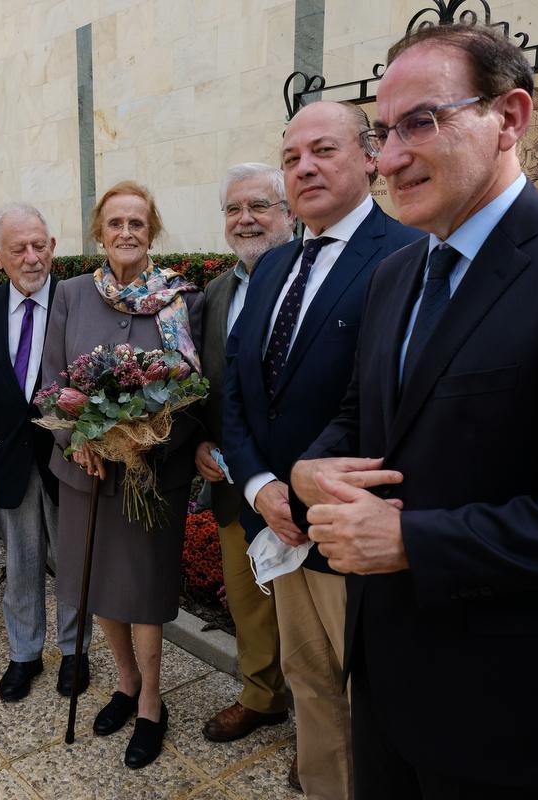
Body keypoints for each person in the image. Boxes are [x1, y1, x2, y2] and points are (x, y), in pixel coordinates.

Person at [290, 24, 538, 799]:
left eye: (422, 121)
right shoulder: (396, 274)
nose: (391, 156)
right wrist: (311, 465)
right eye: (383, 131)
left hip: (514, 710)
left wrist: (415, 538)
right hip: (386, 680)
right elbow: (361, 414)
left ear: (509, 118)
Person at [223, 103, 423, 799]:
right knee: (310, 688)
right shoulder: (274, 265)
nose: (304, 167)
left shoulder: (408, 254)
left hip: (355, 531)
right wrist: (257, 487)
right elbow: (239, 387)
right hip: (278, 523)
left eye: (323, 150)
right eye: (291, 157)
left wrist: (309, 490)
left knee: (375, 704)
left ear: (370, 157)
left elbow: (392, 403)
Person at [41, 180, 204, 769]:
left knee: (143, 589)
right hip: (86, 473)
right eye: (116, 223)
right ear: (99, 232)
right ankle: (126, 681)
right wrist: (75, 438)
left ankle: (153, 704)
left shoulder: (180, 298)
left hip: (147, 475)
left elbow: (191, 390)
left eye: (138, 222)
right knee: (99, 585)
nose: (127, 232)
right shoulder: (71, 294)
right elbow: (53, 383)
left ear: (152, 230)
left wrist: (140, 444)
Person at [0, 202, 91, 702]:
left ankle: (74, 650)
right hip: (7, 460)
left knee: (70, 558)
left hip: (68, 458)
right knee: (20, 561)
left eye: (41, 245)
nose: (33, 257)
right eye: (20, 248)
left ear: (53, 247)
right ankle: (24, 654)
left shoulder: (77, 302)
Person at [196, 163, 296, 747]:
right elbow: (211, 385)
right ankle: (262, 696)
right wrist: (202, 445)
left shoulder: (313, 278)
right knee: (249, 598)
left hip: (299, 484)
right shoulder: (216, 292)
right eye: (234, 209)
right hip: (235, 483)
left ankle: (324, 735)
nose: (246, 219)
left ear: (288, 213)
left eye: (259, 205)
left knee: (312, 616)